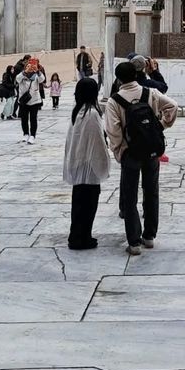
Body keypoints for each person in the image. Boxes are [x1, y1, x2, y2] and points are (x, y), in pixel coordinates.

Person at [105, 61, 178, 255]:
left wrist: (119, 150)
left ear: (119, 78)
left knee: (130, 196)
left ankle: (134, 242)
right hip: (151, 151)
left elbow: (113, 130)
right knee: (151, 191)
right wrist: (161, 126)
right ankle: (149, 236)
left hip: (131, 153)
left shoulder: (114, 101)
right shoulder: (149, 93)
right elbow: (172, 106)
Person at [63, 78, 110, 250]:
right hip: (89, 168)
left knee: (78, 204)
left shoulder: (78, 111)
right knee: (88, 205)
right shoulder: (91, 114)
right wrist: (104, 163)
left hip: (78, 165)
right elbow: (97, 142)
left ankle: (77, 236)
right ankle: (82, 238)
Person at [16, 58, 45, 145]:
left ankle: (32, 135)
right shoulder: (22, 75)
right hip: (24, 101)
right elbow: (17, 79)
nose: (30, 68)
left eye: (31, 66)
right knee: (24, 118)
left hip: (34, 100)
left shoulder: (36, 76)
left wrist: (38, 71)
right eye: (28, 66)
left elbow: (42, 79)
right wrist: (25, 72)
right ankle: (25, 134)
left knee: (33, 118)